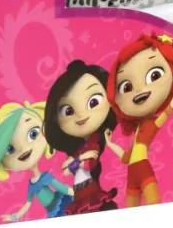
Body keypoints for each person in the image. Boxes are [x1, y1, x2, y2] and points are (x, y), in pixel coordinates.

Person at [104, 34, 173, 207]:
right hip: (132, 174)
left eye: (154, 75)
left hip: (144, 171)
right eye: (127, 87)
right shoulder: (138, 130)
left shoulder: (152, 124)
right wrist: (109, 143)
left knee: (154, 206)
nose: (139, 90)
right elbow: (126, 157)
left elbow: (170, 108)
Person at [0, 102, 74, 223]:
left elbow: (61, 188)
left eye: (33, 134)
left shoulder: (46, 177)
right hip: (50, 213)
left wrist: (78, 195)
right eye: (10, 149)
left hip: (60, 205)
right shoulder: (31, 185)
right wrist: (14, 217)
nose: (24, 150)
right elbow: (28, 204)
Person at [44, 60, 118, 215]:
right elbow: (66, 170)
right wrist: (77, 161)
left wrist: (76, 162)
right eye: (68, 111)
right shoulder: (78, 148)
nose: (81, 115)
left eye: (93, 102)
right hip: (79, 190)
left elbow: (89, 162)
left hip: (89, 189)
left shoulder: (96, 140)